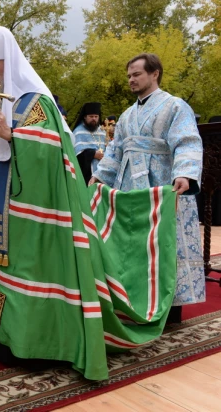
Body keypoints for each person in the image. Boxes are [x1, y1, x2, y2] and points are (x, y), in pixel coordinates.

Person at [0, 26, 180, 381]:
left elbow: (56, 151)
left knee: (22, 275)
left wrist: (12, 135)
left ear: (9, 61)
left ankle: (28, 341)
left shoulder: (36, 103)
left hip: (26, 217)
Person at [91, 53, 205, 323]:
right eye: (129, 75)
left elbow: (188, 141)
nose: (131, 79)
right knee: (136, 243)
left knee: (166, 242)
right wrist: (100, 176)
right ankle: (138, 303)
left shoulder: (175, 107)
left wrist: (185, 173)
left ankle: (171, 309)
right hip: (131, 189)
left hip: (164, 186)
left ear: (155, 74)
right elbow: (115, 150)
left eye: (136, 74)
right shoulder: (128, 115)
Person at [72, 102, 106, 183]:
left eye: (96, 116)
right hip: (86, 175)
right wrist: (93, 154)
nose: (94, 119)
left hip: (103, 172)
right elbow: (75, 156)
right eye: (91, 116)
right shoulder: (78, 132)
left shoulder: (102, 131)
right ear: (85, 117)